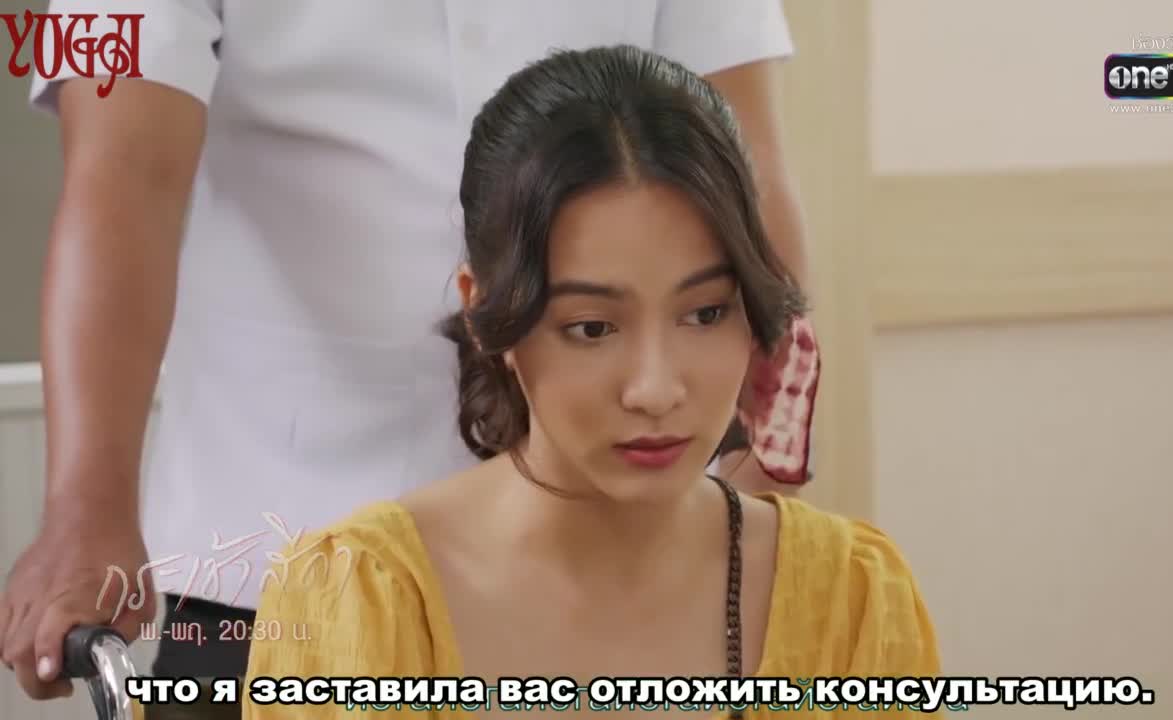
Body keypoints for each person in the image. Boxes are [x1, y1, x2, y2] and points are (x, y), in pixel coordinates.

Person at [0, 0, 819, 703]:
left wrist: (761, 475)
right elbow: (120, 172)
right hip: (265, 567)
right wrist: (83, 508)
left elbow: (744, 163)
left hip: (615, 561)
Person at [242, 45, 939, 720]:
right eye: (593, 327)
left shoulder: (850, 600)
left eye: (705, 313)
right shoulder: (357, 602)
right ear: (485, 316)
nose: (655, 389)